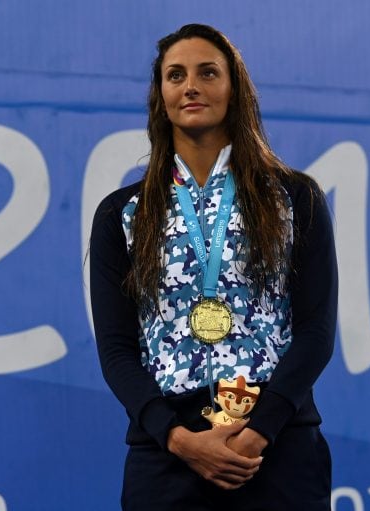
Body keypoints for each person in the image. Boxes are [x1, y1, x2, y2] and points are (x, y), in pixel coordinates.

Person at [89, 23, 338, 511]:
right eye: (175, 75)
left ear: (235, 88)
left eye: (208, 73)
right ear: (161, 96)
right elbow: (117, 350)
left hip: (277, 444)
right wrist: (178, 439)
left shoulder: (294, 197)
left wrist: (257, 435)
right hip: (166, 451)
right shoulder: (122, 213)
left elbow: (316, 331)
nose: (191, 87)